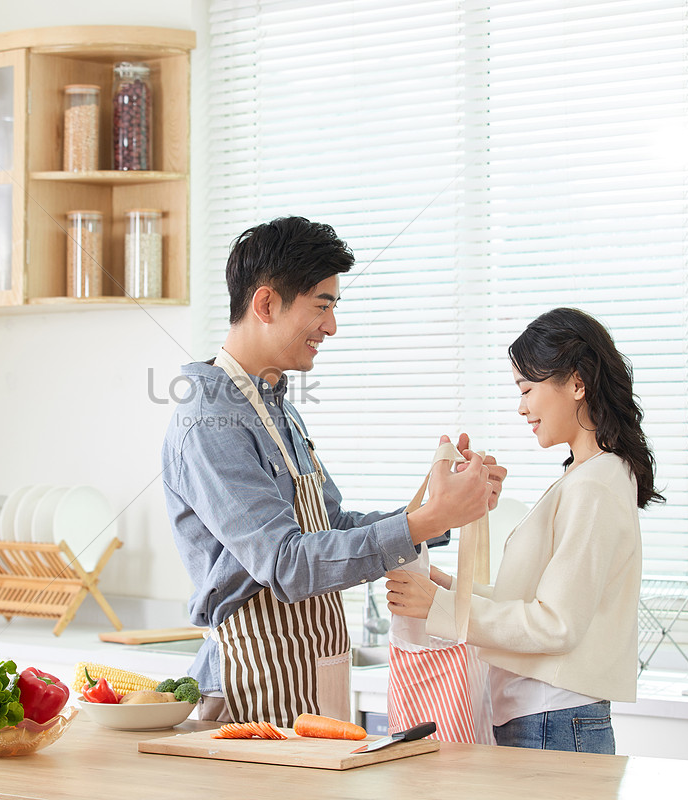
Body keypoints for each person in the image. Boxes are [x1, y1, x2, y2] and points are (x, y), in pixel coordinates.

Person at [161, 216, 506, 726]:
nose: (332, 327)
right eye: (322, 306)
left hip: (307, 676)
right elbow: (286, 564)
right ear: (265, 304)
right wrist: (426, 522)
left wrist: (443, 509)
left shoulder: (275, 407)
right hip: (251, 691)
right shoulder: (212, 421)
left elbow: (330, 525)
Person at [385, 307, 662, 754]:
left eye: (527, 389)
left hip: (553, 720)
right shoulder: (588, 476)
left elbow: (556, 625)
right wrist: (452, 589)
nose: (521, 407)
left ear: (576, 383)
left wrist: (440, 608)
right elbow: (538, 601)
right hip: (549, 718)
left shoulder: (595, 484)